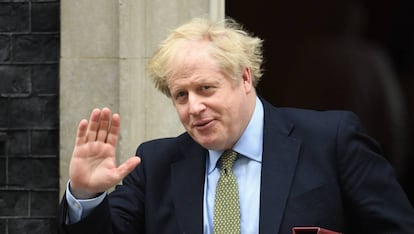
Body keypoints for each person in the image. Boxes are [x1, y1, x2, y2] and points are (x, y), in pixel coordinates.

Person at [57, 17, 414, 234]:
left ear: (244, 78)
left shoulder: (330, 141)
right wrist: (86, 196)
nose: (194, 107)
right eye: (180, 95)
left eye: (205, 89)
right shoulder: (155, 163)